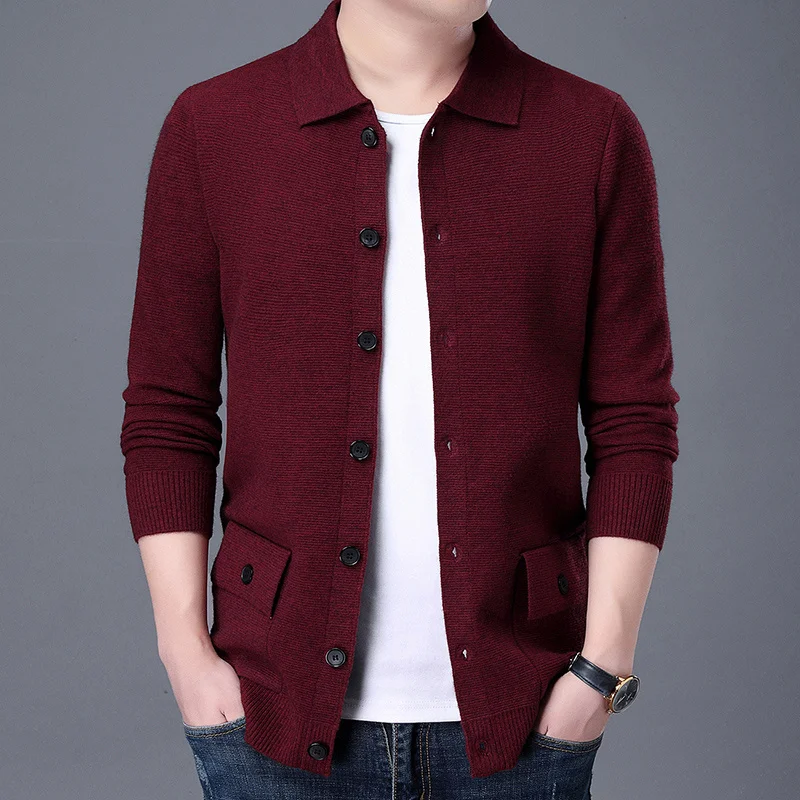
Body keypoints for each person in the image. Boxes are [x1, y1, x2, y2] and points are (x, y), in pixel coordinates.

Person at [120, 0, 680, 797]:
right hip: (268, 711)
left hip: (526, 714)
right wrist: (185, 653)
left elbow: (634, 418)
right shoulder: (216, 127)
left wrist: (602, 668)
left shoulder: (588, 132)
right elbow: (168, 411)